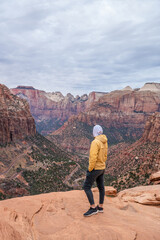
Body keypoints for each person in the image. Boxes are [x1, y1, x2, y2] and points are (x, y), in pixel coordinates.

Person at [83, 125, 108, 217]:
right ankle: (100, 207)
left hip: (95, 168)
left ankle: (93, 208)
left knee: (86, 186)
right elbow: (105, 155)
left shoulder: (95, 142)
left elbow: (93, 157)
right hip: (102, 167)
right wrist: (102, 164)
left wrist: (90, 169)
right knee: (101, 187)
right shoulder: (105, 141)